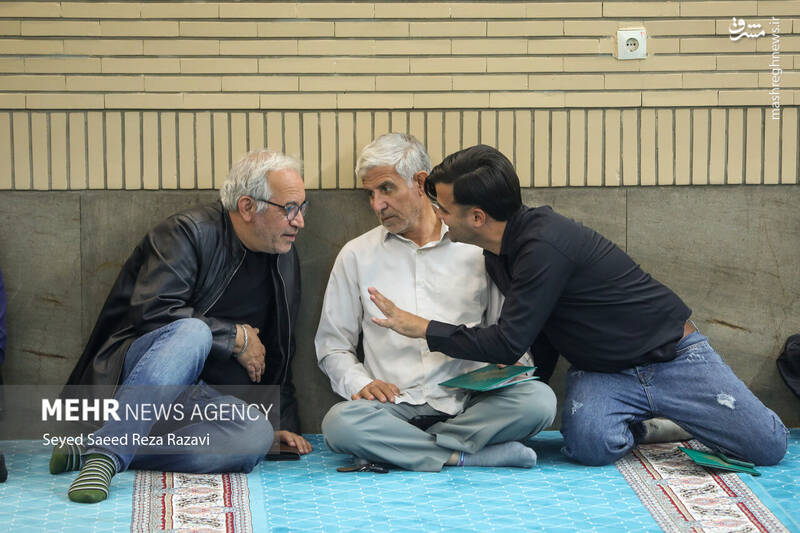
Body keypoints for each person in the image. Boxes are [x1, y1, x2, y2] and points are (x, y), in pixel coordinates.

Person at [367, 144, 788, 467]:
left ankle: (681, 414)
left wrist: (423, 328)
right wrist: (522, 385)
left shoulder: (544, 244)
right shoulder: (499, 252)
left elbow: (507, 342)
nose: (438, 216)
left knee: (768, 447)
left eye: (442, 208)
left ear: (477, 217)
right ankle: (651, 427)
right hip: (603, 373)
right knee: (589, 447)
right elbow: (540, 328)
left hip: (672, 357)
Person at [52, 149, 312, 503]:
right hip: (140, 385)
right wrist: (234, 337)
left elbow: (282, 348)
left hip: (201, 408)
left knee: (254, 437)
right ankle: (107, 455)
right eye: (290, 209)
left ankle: (91, 449)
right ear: (248, 207)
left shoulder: (284, 256)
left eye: (302, 207)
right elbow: (153, 312)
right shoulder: (188, 232)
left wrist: (279, 422)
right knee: (193, 331)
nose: (299, 221)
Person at [316, 134, 556, 472]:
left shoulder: (475, 248)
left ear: (420, 182)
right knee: (340, 423)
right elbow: (332, 346)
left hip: (470, 404)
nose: (377, 205)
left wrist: (512, 367)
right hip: (395, 406)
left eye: (386, 189)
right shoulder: (356, 255)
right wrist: (361, 384)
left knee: (540, 402)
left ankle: (404, 449)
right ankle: (466, 455)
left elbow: (506, 332)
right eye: (370, 194)